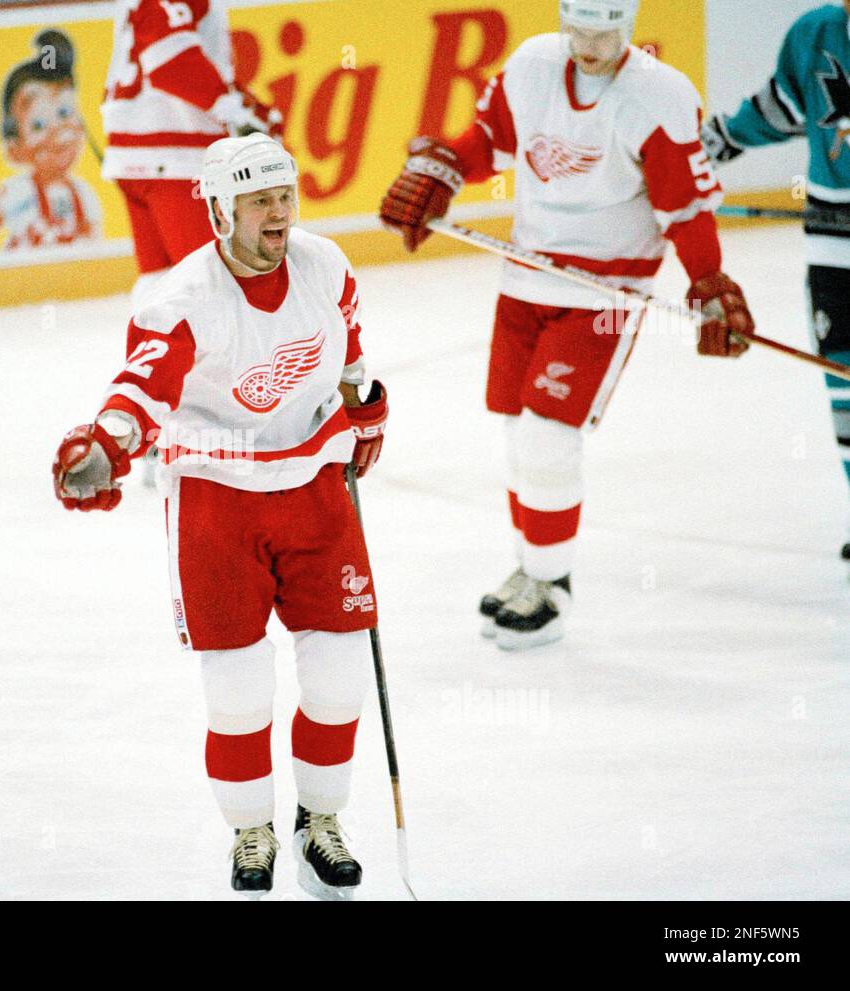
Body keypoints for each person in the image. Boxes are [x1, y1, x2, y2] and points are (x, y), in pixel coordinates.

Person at [52, 134, 388, 899]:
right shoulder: (183, 298)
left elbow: (349, 359)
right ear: (218, 211)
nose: (279, 214)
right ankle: (251, 829)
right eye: (259, 201)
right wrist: (108, 442)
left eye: (285, 196)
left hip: (312, 486)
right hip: (217, 495)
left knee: (338, 674)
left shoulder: (326, 266)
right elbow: (140, 388)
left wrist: (364, 413)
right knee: (238, 686)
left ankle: (320, 820)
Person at [380, 0, 755, 650]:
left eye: (602, 32)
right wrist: (441, 171)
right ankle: (530, 568)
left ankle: (551, 586)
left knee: (549, 437)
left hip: (603, 293)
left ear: (628, 28)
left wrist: (709, 281)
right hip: (525, 278)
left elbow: (685, 209)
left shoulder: (658, 96)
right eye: (576, 29)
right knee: (518, 433)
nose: (586, 44)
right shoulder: (530, 66)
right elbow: (488, 142)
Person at [701, 1, 850, 566]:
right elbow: (782, 106)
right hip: (833, 236)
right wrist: (708, 145)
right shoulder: (816, 33)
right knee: (842, 369)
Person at [101, 0, 283, 310]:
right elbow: (170, 62)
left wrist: (250, 109)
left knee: (159, 281)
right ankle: (215, 358)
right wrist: (234, 112)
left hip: (136, 155)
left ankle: (155, 355)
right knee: (209, 283)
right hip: (175, 157)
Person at [0, 29, 102, 254]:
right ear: (14, 147)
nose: (57, 129)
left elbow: (97, 255)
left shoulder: (84, 196)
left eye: (65, 112)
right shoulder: (15, 192)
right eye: (38, 125)